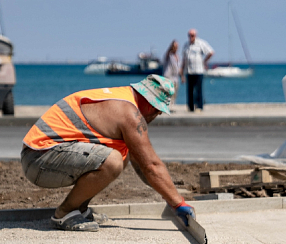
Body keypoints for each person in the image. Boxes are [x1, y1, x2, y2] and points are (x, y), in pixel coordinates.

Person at [20, 75, 195, 232]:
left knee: (122, 155)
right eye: (158, 111)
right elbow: (151, 166)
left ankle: (79, 209)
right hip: (39, 159)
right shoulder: (130, 114)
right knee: (113, 161)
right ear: (151, 106)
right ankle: (64, 213)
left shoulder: (122, 98)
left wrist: (169, 195)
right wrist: (179, 204)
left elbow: (142, 165)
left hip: (41, 155)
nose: (156, 116)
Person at [180, 28, 214, 112]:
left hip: (198, 70)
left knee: (198, 89)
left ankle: (199, 106)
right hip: (189, 71)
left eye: (192, 35)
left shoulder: (201, 43)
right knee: (190, 90)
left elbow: (211, 52)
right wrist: (182, 70)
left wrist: (204, 61)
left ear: (195, 35)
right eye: (189, 35)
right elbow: (184, 58)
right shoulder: (186, 45)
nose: (191, 37)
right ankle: (190, 107)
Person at [162, 40, 181, 108]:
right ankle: (168, 106)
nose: (176, 48)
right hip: (169, 77)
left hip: (176, 77)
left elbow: (179, 67)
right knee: (169, 93)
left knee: (175, 93)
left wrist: (182, 76)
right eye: (174, 46)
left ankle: (172, 105)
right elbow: (166, 56)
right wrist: (170, 49)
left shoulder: (177, 56)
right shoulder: (169, 55)